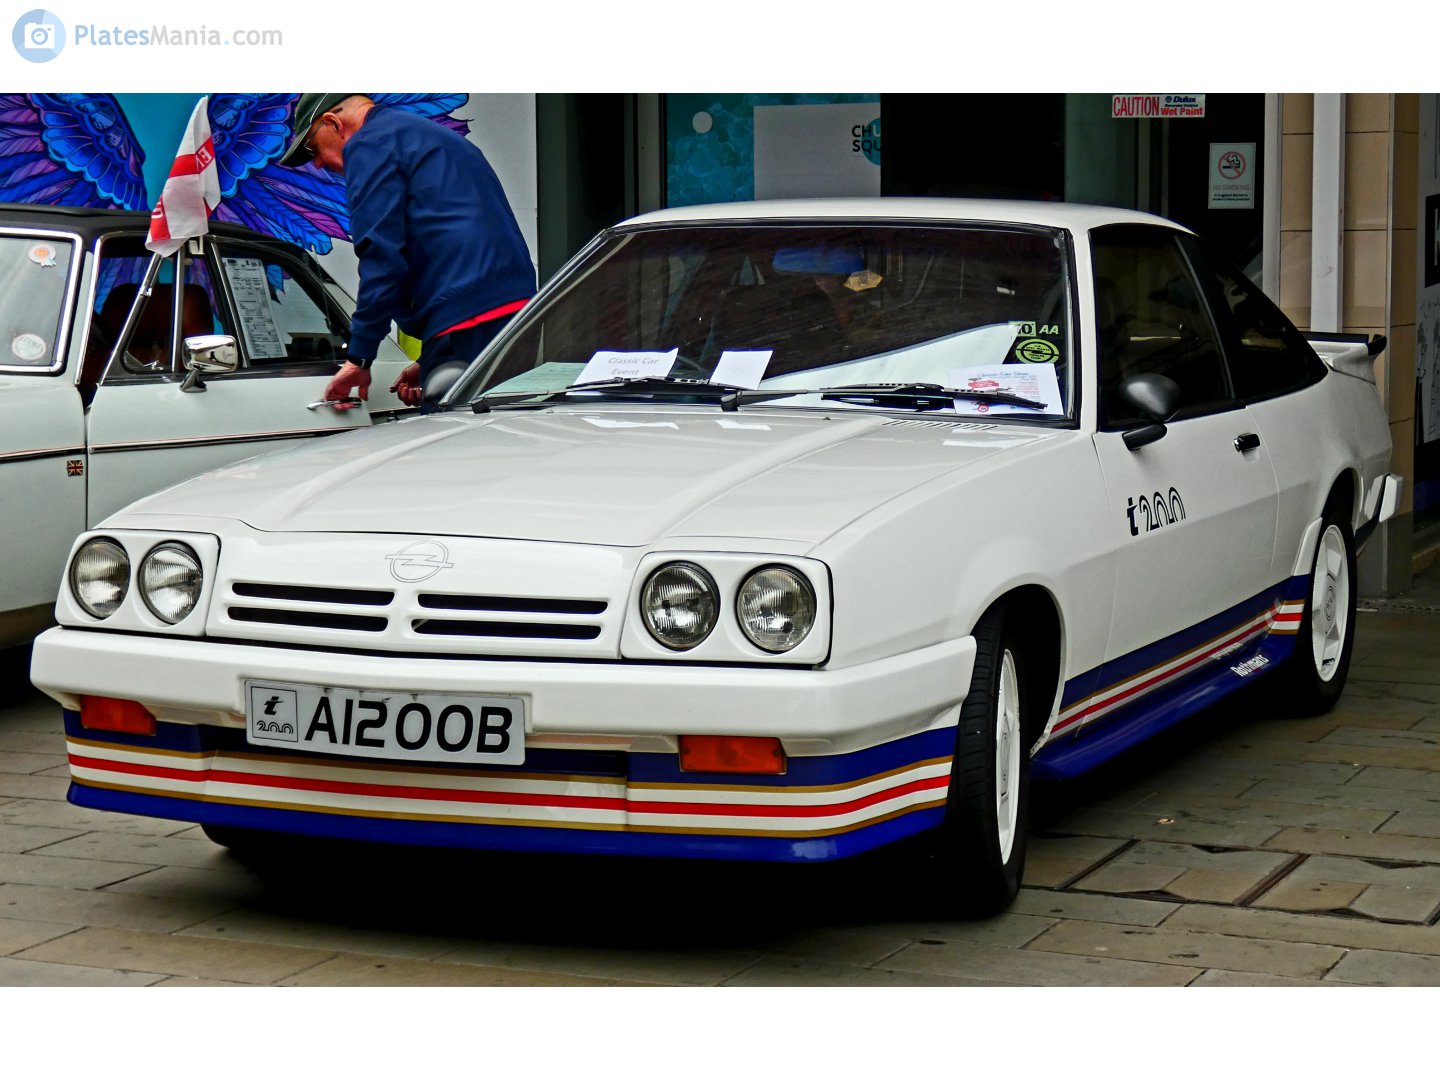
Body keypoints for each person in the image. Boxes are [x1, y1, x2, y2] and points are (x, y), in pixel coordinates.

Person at [279, 94, 536, 407]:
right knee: (509, 424)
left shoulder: (368, 144)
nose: (317, 163)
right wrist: (428, 359)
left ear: (334, 123)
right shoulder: (429, 137)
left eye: (312, 148)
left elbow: (381, 257)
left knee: (459, 434)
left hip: (465, 320)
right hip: (513, 314)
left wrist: (359, 358)